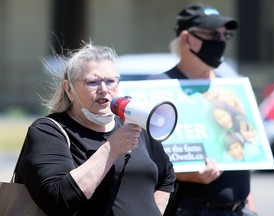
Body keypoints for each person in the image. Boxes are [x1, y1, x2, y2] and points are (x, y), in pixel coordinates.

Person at [14, 43, 175, 216]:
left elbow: (166, 177)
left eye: (110, 81)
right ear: (69, 89)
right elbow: (58, 200)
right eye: (92, 82)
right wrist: (111, 149)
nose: (103, 90)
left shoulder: (134, 126)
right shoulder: (48, 131)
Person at [149, 3, 258, 216]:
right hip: (191, 208)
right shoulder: (160, 88)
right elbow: (147, 157)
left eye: (224, 35)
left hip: (239, 210)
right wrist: (185, 174)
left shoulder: (230, 88)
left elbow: (244, 156)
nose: (220, 41)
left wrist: (249, 206)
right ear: (186, 39)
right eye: (211, 34)